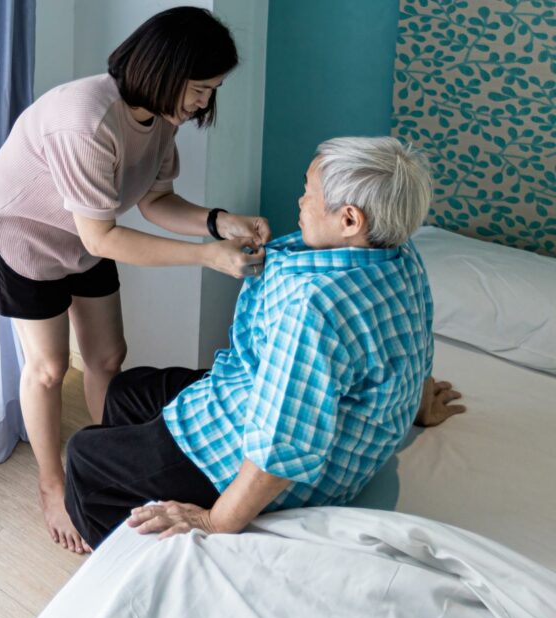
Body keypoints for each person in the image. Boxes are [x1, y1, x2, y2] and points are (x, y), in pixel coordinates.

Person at [0, 7, 270, 554]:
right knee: (51, 368)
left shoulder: (158, 118)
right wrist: (207, 257)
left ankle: (103, 468)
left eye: (211, 89)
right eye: (201, 88)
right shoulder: (85, 120)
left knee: (108, 357)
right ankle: (52, 486)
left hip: (84, 233)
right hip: (24, 237)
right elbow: (105, 238)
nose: (203, 103)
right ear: (166, 69)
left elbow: (155, 200)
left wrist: (219, 221)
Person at [63, 136, 467, 549]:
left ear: (349, 220)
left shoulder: (318, 307)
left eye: (308, 193)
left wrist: (214, 520)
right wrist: (418, 403)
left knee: (83, 458)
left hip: (286, 464)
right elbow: (411, 340)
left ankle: (132, 554)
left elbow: (284, 445)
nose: (300, 201)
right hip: (259, 389)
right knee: (128, 391)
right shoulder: (399, 253)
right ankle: (143, 488)